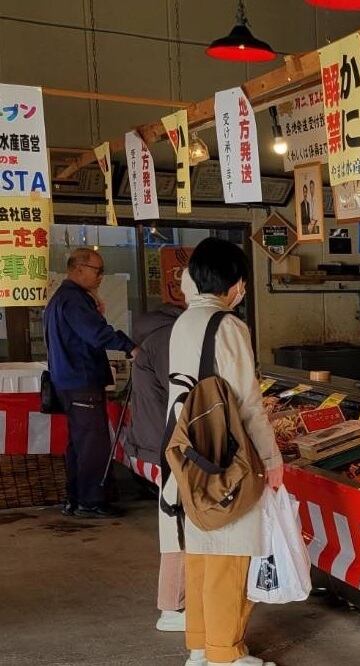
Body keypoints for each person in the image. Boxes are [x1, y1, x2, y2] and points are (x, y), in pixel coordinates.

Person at [163, 238, 282, 666]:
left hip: (189, 452)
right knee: (229, 554)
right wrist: (271, 460)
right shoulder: (227, 325)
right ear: (234, 283)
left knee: (200, 550)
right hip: (226, 457)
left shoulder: (184, 322)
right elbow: (247, 404)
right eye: (242, 282)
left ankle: (200, 646)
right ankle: (225, 654)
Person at [44, 248, 136, 519]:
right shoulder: (74, 300)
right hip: (81, 381)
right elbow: (97, 334)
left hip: (67, 381)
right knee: (93, 443)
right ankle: (91, 501)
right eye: (98, 270)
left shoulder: (61, 299)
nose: (101, 277)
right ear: (79, 268)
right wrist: (130, 347)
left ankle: (75, 498)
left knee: (79, 443)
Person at [127, 271, 194, 633]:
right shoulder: (171, 337)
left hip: (157, 438)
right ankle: (174, 605)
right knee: (178, 522)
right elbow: (182, 393)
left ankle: (177, 602)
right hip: (168, 442)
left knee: (175, 519)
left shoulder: (153, 333)